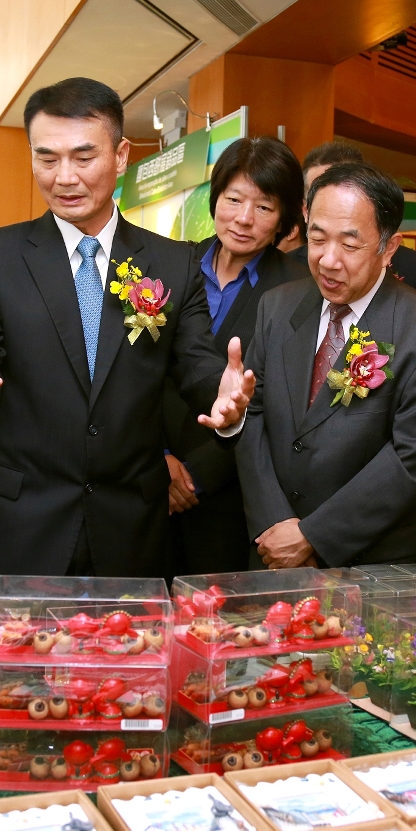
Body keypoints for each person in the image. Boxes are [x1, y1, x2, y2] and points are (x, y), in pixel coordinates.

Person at [0, 78, 255, 679]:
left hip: (128, 535)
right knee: (12, 713)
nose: (64, 175)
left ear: (120, 154)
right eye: (46, 157)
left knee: (123, 709)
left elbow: (195, 363)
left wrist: (224, 395)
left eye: (83, 156)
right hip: (16, 532)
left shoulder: (171, 263)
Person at [236, 162, 416, 568]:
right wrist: (275, 524)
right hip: (271, 550)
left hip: (366, 564)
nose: (327, 260)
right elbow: (252, 413)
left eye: (350, 244)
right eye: (317, 238)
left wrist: (311, 536)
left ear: (388, 247)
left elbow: (412, 461)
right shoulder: (277, 307)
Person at [163, 137, 308, 575]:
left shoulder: (298, 291)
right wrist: (160, 458)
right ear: (216, 197)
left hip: (231, 494)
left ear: (285, 217)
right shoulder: (170, 266)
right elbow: (133, 373)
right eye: (234, 199)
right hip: (149, 478)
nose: (244, 219)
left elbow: (279, 403)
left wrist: (195, 476)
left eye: (264, 207)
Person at [289, 141, 416, 303]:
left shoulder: (413, 268)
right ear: (305, 208)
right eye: (320, 189)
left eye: (349, 245)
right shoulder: (286, 276)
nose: (329, 262)